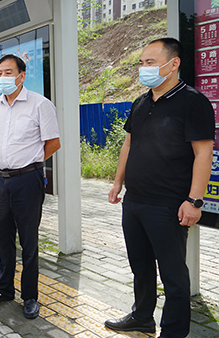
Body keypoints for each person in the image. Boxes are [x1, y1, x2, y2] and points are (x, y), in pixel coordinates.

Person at [104, 38, 214, 338]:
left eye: (150, 62)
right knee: (140, 265)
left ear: (173, 63)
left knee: (173, 274)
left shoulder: (193, 102)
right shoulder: (141, 102)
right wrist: (118, 182)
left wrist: (194, 200)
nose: (144, 68)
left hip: (168, 204)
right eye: (141, 63)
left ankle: (174, 332)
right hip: (135, 201)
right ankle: (142, 317)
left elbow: (204, 153)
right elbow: (129, 143)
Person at [0, 54, 61, 320]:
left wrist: (30, 162)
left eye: (8, 72)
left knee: (28, 240)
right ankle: (4, 289)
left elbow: (53, 143)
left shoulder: (40, 104)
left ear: (21, 76)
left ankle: (30, 296)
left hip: (27, 179)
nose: (2, 77)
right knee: (3, 237)